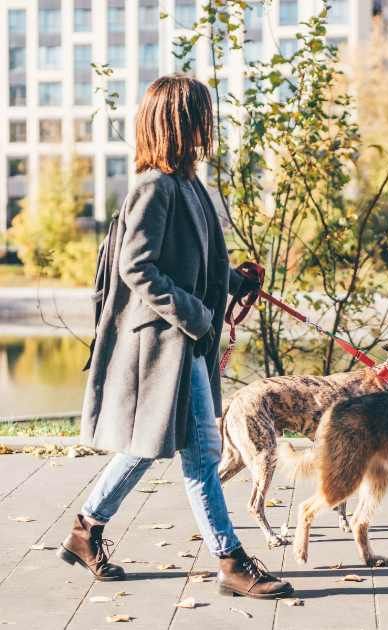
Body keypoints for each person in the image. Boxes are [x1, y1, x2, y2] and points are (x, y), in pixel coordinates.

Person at [58, 75, 293, 599]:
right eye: (200, 116)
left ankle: (86, 530)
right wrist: (194, 314)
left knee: (149, 448)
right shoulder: (153, 188)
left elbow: (198, 263)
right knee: (204, 453)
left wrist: (236, 282)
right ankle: (230, 561)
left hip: (183, 344)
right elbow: (136, 267)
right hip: (165, 346)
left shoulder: (187, 184)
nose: (208, 126)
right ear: (178, 122)